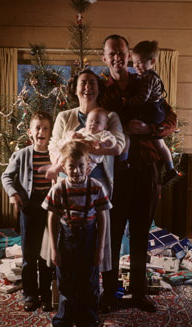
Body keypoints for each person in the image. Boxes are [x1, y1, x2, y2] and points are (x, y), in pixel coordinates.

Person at [100, 34, 177, 312]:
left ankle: (138, 293)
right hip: (115, 174)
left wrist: (150, 130)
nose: (118, 58)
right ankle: (112, 293)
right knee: (112, 235)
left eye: (122, 52)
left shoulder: (143, 82)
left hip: (146, 170)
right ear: (105, 58)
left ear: (127, 53)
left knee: (141, 234)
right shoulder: (101, 90)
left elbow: (171, 120)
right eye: (112, 53)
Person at [42, 68, 125, 279]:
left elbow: (119, 146)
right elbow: (54, 147)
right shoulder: (64, 116)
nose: (87, 87)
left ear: (98, 88)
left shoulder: (109, 116)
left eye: (92, 83)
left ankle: (100, 293)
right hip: (67, 182)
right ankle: (64, 290)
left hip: (97, 185)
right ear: (76, 89)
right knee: (64, 235)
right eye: (83, 83)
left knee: (98, 240)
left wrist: (92, 149)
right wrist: (64, 164)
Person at [42, 140, 112, 327]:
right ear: (63, 166)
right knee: (66, 283)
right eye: (71, 166)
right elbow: (52, 218)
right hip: (66, 240)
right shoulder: (58, 189)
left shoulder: (96, 187)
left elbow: (103, 218)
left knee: (88, 284)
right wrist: (54, 250)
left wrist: (100, 249)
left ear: (87, 164)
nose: (76, 171)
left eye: (80, 166)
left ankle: (86, 322)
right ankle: (64, 323)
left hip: (89, 240)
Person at [1, 111, 54, 312]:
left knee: (46, 254)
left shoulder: (55, 153)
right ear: (30, 132)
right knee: (29, 254)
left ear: (50, 132)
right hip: (29, 208)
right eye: (37, 128)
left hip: (50, 208)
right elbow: (7, 176)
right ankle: (31, 294)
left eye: (45, 128)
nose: (41, 131)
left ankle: (46, 293)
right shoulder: (22, 154)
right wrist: (13, 193)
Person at [119, 40, 179, 185]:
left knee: (128, 130)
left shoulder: (147, 78)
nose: (136, 66)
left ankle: (123, 159)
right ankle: (171, 169)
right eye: (134, 63)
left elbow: (142, 99)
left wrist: (128, 102)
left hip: (151, 111)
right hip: (154, 111)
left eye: (139, 63)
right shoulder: (146, 77)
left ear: (152, 61)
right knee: (160, 144)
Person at [50, 107, 117, 174]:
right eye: (91, 121)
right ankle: (56, 167)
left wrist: (104, 144)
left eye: (97, 122)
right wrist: (74, 134)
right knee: (65, 154)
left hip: (90, 158)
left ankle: (56, 170)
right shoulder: (83, 130)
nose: (93, 124)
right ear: (86, 123)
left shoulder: (103, 133)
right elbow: (78, 135)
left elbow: (112, 140)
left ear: (105, 127)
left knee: (84, 169)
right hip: (75, 153)